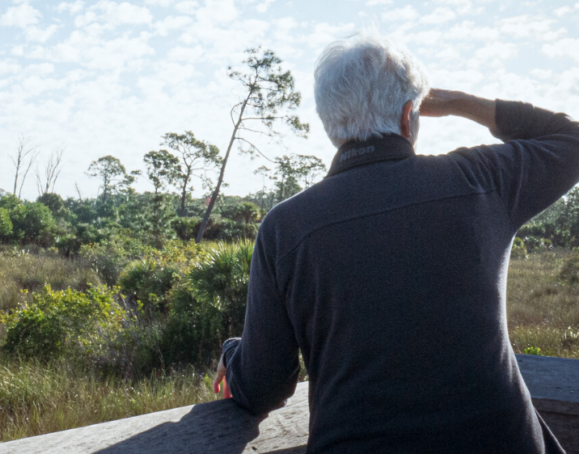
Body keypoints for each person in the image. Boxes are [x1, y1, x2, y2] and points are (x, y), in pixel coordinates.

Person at [212, 31, 578, 453]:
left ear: (332, 124)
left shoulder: (285, 228)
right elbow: (572, 139)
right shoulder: (480, 181)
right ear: (411, 115)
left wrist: (234, 353)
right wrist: (459, 103)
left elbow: (263, 389)